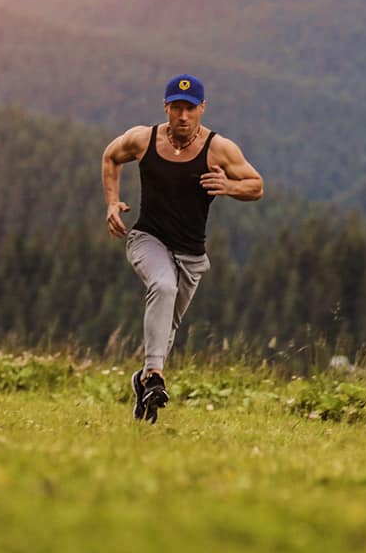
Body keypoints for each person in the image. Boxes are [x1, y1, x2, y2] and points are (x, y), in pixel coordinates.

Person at [101, 74, 263, 423]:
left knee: (168, 327)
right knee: (163, 286)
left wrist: (228, 186)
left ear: (202, 108)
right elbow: (110, 157)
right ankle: (155, 376)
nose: (183, 116)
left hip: (191, 253)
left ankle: (143, 382)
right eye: (176, 108)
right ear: (166, 107)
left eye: (190, 108)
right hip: (148, 239)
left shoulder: (218, 149)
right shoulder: (144, 139)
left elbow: (256, 185)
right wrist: (112, 202)